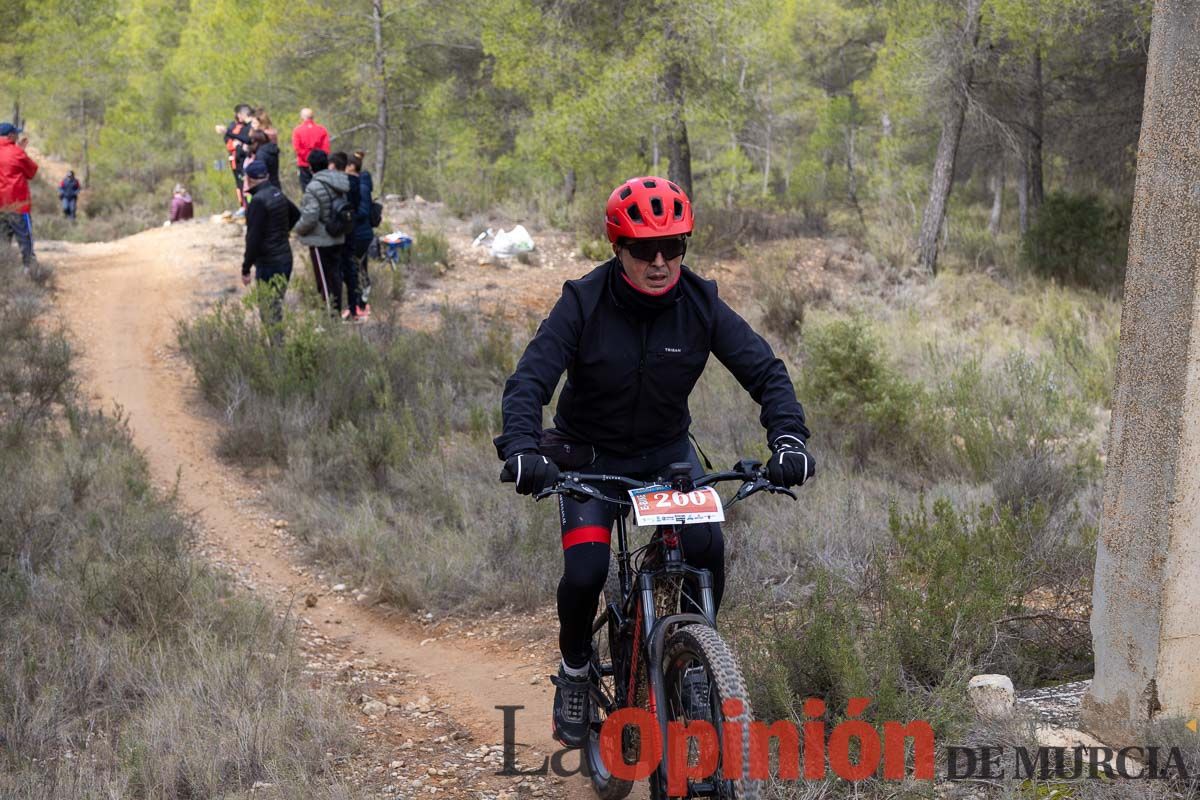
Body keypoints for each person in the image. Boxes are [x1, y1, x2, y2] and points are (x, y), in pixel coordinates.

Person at [494, 176, 816, 748]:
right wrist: (522, 448)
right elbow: (529, 381)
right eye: (645, 249)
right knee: (586, 571)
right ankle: (574, 670)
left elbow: (766, 373)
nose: (660, 261)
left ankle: (694, 657)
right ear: (619, 249)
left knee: (707, 551)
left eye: (674, 246)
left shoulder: (700, 303)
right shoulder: (582, 301)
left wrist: (788, 440)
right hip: (586, 459)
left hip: (667, 458)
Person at [292, 149, 353, 318]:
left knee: (324, 281)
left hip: (320, 240)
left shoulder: (313, 186)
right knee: (335, 277)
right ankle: (336, 312)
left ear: (310, 168)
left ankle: (330, 319)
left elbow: (311, 216)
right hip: (337, 236)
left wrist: (297, 228)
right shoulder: (340, 181)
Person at [242, 160, 300, 332]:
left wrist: (246, 268)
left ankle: (277, 351)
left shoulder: (258, 201)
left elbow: (253, 238)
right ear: (266, 176)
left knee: (269, 310)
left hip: (269, 263)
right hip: (285, 258)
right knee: (275, 306)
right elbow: (296, 214)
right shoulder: (277, 193)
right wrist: (282, 233)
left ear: (250, 179)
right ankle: (278, 348)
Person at [0, 122, 39, 270]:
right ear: (10, 136)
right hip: (17, 205)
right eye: (16, 133)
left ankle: (4, 274)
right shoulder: (17, 153)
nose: (18, 136)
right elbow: (32, 172)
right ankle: (29, 271)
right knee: (25, 240)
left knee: (2, 242)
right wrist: (21, 151)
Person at [345, 151, 375, 319]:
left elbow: (363, 211)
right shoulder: (360, 183)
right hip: (360, 233)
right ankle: (360, 303)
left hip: (360, 234)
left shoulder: (361, 186)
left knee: (356, 270)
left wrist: (348, 215)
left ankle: (360, 304)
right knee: (359, 269)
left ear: (351, 166)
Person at [217, 104, 253, 213]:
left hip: (245, 158)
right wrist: (233, 144)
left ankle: (249, 206)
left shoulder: (249, 126)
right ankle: (243, 205)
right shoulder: (233, 125)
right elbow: (227, 138)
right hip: (234, 158)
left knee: (246, 182)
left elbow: (247, 140)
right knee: (239, 183)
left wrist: (240, 145)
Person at [291, 108, 330, 193]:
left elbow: (297, 148)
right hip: (320, 166)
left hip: (304, 165)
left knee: (307, 191)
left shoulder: (297, 131)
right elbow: (326, 149)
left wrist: (308, 159)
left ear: (302, 117)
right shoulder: (322, 130)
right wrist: (317, 160)